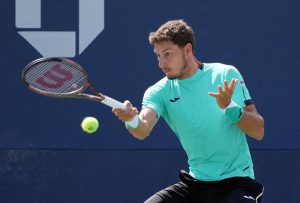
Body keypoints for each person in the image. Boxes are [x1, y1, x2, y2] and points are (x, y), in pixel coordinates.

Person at [112, 19, 265, 203]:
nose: (161, 63)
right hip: (196, 185)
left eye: (167, 54)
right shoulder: (158, 92)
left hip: (237, 182)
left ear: (187, 50)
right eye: (158, 55)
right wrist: (131, 119)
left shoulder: (225, 75)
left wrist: (229, 107)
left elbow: (258, 131)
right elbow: (142, 128)